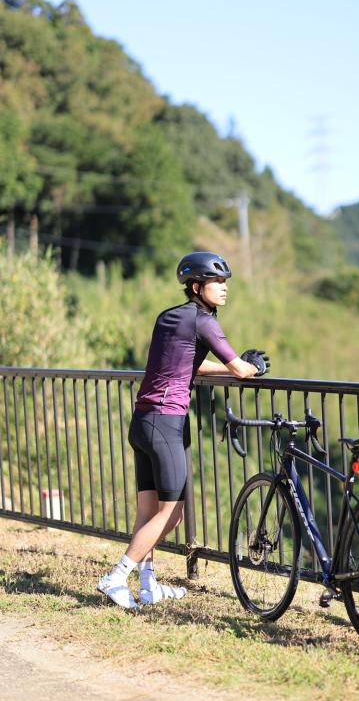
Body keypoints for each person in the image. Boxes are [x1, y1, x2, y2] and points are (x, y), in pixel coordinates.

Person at [97, 251, 270, 610]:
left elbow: (194, 365)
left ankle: (148, 587)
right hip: (166, 423)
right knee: (171, 514)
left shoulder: (169, 317)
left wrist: (234, 368)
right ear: (196, 287)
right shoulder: (204, 322)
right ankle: (116, 578)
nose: (223, 289)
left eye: (224, 283)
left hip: (143, 421)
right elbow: (238, 368)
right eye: (216, 283)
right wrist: (252, 366)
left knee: (147, 512)